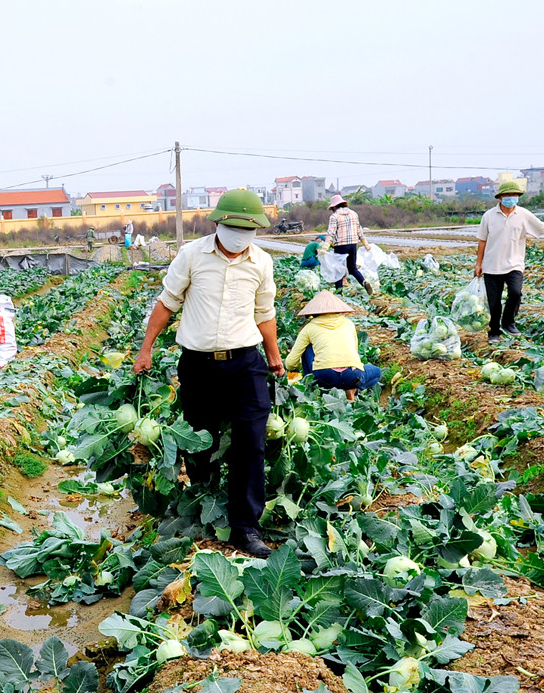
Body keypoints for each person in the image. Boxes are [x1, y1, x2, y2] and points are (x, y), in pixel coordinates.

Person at [133, 189, 283, 559]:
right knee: (201, 438)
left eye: (248, 228)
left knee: (251, 441)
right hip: (198, 364)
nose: (240, 234)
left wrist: (274, 355)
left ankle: (245, 528)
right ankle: (205, 498)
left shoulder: (261, 262)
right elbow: (167, 302)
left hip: (246, 362)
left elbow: (265, 313)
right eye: (234, 226)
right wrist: (146, 348)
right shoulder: (192, 255)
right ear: (218, 222)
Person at [475, 182, 544, 343]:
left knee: (515, 293)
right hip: (492, 265)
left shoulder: (523, 215)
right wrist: (478, 264)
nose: (511, 198)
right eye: (507, 195)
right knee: (494, 302)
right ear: (500, 197)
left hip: (514, 264)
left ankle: (508, 322)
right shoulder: (488, 216)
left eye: (514, 195)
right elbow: (482, 241)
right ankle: (494, 332)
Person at [284, 291, 382, 401]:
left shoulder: (309, 328)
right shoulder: (348, 324)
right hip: (352, 374)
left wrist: (295, 373)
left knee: (306, 348)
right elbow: (355, 353)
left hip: (324, 375)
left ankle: (308, 388)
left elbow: (290, 363)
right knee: (377, 372)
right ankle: (352, 389)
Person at [325, 194, 372, 295]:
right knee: (353, 268)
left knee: (338, 270)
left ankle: (339, 294)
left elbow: (331, 233)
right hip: (353, 244)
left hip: (341, 246)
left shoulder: (334, 216)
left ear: (334, 206)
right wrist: (365, 243)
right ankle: (364, 282)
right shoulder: (354, 214)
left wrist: (326, 246)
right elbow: (359, 230)